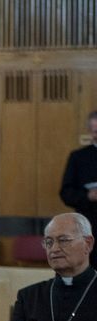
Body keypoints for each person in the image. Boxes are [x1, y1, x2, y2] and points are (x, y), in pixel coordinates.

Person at [60, 110, 97, 269]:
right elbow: (66, 192)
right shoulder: (78, 157)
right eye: (96, 130)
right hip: (89, 228)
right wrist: (88, 196)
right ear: (90, 131)